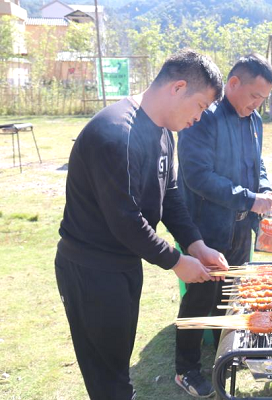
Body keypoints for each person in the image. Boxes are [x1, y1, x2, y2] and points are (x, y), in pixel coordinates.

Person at [54, 49, 228, 400]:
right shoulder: (115, 133)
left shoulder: (163, 133)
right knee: (107, 373)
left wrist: (196, 245)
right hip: (92, 270)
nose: (199, 118)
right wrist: (176, 261)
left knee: (117, 360)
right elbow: (125, 220)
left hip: (124, 264)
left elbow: (170, 197)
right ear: (178, 88)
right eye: (200, 106)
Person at [174, 53, 272, 397]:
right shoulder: (203, 117)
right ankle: (186, 369)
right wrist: (250, 199)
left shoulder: (254, 121)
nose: (257, 104)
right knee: (200, 296)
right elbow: (197, 176)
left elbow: (257, 165)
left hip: (240, 228)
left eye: (263, 99)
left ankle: (227, 351)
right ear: (233, 83)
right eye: (254, 96)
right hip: (206, 229)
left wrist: (265, 189)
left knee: (232, 293)